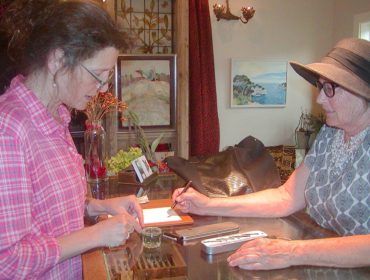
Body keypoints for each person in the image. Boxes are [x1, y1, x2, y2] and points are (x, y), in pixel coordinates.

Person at [172, 38, 370, 270]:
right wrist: (208, 204)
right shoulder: (330, 134)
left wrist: (291, 252)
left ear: (363, 93)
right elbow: (286, 197)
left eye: (330, 89)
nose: (319, 98)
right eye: (320, 86)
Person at [0, 1, 143, 279]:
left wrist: (99, 206)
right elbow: (7, 260)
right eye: (97, 76)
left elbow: (48, 213)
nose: (103, 89)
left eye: (108, 78)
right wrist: (95, 235)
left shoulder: (56, 117)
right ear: (57, 59)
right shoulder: (9, 131)